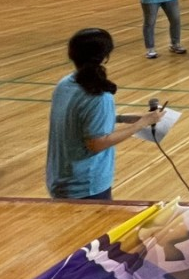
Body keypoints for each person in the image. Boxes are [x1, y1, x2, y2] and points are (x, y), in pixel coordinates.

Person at [46, 28, 166, 200]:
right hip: (86, 185)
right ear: (105, 57)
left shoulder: (64, 84)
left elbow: (78, 120)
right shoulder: (99, 96)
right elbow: (97, 143)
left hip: (59, 178)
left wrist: (122, 118)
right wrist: (141, 124)